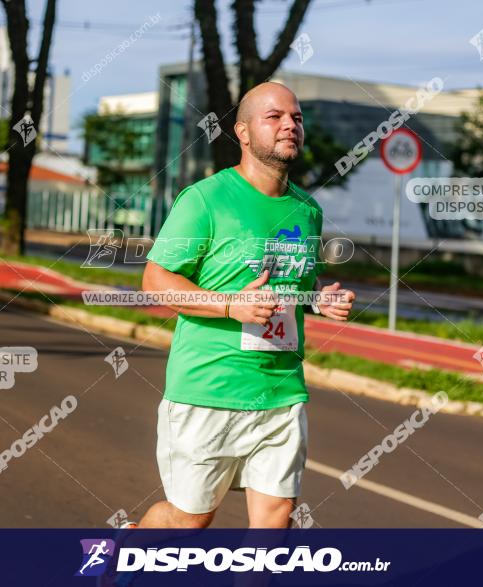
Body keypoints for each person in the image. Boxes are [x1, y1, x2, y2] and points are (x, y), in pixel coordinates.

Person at [136, 82, 355, 529]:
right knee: (189, 520)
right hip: (209, 388)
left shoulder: (307, 210)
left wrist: (317, 300)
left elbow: (293, 285)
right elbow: (155, 280)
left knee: (277, 516)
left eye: (295, 117)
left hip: (281, 390)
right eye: (273, 117)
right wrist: (230, 306)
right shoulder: (205, 200)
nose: (289, 125)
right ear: (243, 132)